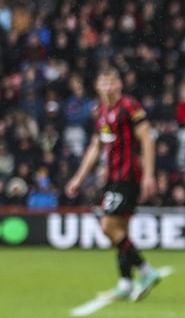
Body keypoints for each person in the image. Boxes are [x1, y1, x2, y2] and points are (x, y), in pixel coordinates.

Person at [65, 65, 162, 301]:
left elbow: (147, 139)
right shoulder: (100, 112)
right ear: (97, 87)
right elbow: (96, 147)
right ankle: (126, 282)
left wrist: (149, 175)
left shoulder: (129, 106)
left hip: (128, 177)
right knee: (120, 230)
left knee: (108, 227)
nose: (108, 87)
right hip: (112, 178)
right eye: (103, 82)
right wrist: (78, 178)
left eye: (112, 82)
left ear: (119, 85)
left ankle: (147, 271)